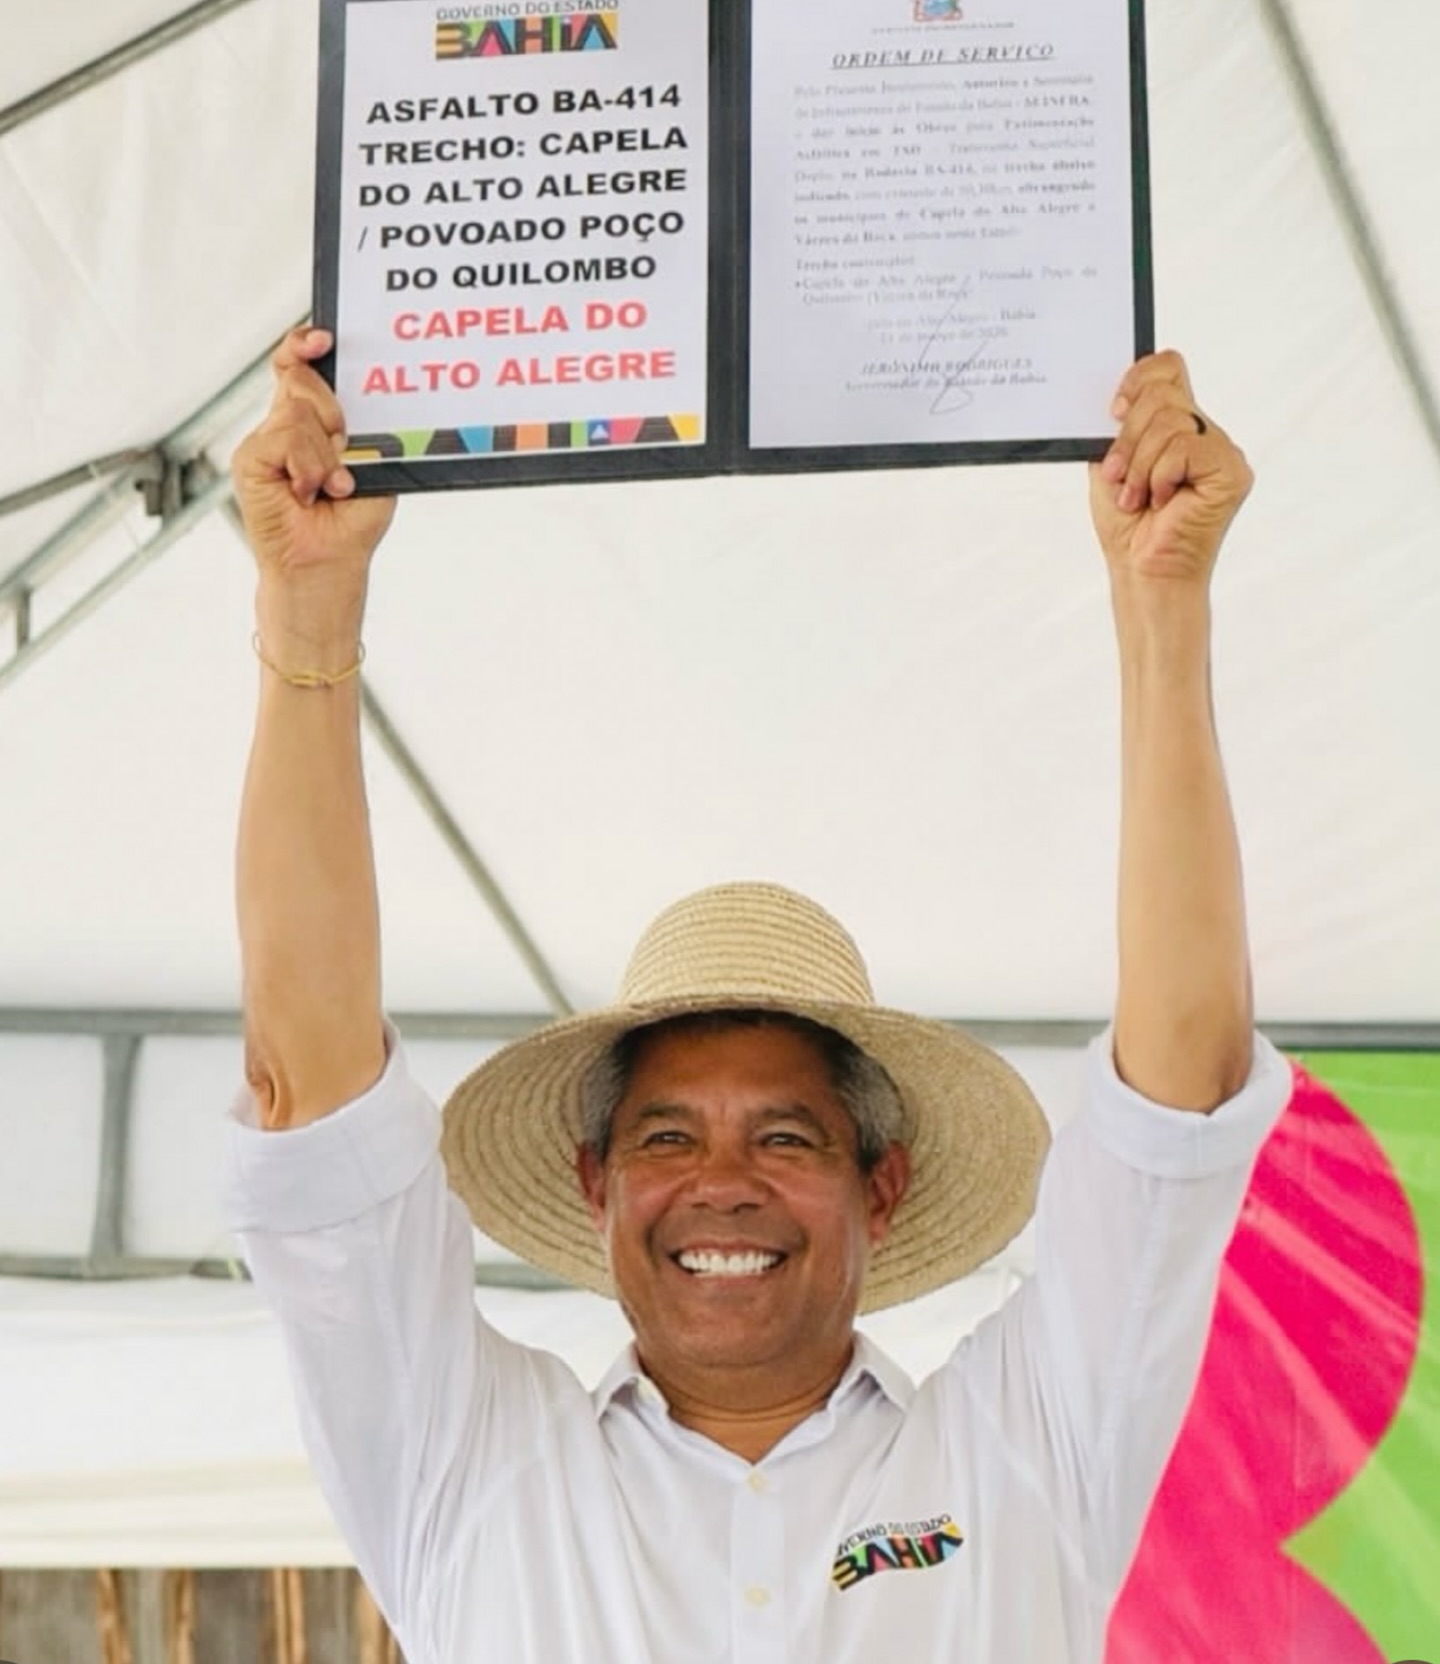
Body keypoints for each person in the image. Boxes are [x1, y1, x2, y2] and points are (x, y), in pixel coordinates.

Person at [224, 331, 1290, 1664]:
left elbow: (1175, 1113)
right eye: (668, 1136)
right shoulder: (463, 1461)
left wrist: (1163, 602)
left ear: (880, 1187)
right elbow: (311, 1105)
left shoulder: (1026, 1454)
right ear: (598, 1183)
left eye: (784, 1136)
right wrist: (307, 613)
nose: (721, 1184)